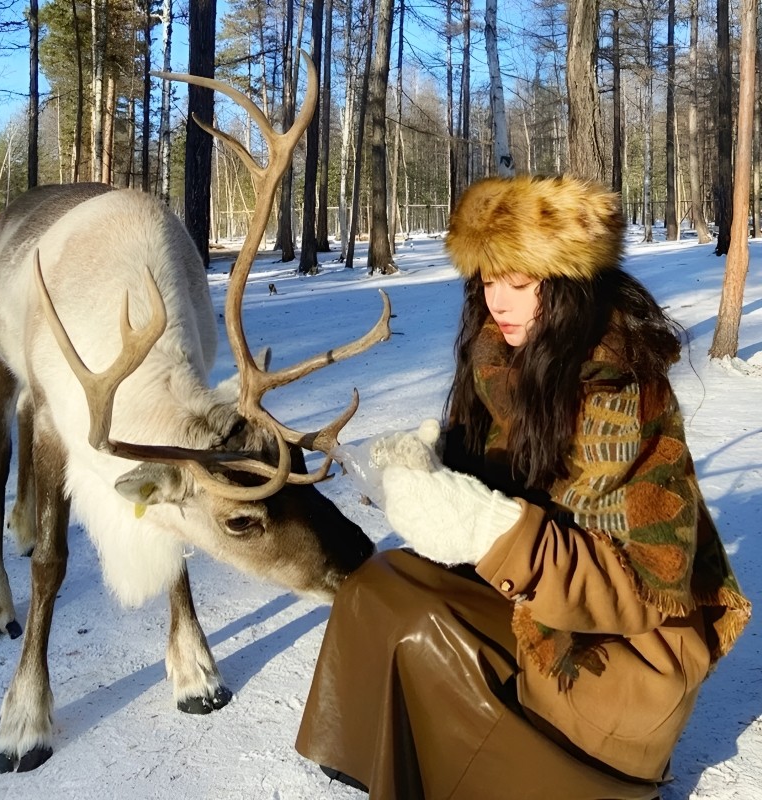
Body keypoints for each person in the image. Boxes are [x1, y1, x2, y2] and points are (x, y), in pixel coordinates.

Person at [294, 174, 751, 800]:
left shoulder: (622, 390)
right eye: (488, 280)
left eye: (519, 281)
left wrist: (487, 527)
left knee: (428, 633)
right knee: (377, 585)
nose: (498, 302)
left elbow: (648, 588)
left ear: (566, 284)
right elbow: (503, 479)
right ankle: (371, 753)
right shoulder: (500, 362)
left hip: (620, 654)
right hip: (543, 604)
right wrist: (427, 466)